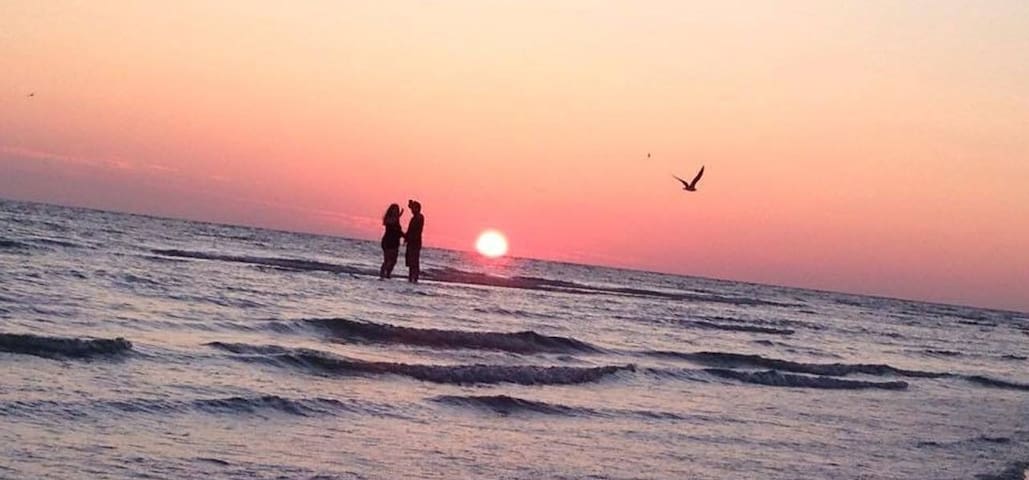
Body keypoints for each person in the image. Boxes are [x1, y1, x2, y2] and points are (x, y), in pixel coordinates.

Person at [379, 203, 404, 279]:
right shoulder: (389, 218)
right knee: (387, 260)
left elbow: (399, 231)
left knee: (394, 261)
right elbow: (388, 223)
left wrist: (406, 236)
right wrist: (398, 216)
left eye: (397, 210)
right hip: (388, 241)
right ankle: (382, 273)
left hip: (395, 242)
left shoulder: (397, 220)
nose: (396, 211)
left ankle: (388, 274)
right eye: (394, 210)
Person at [404, 199, 424, 283]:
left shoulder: (419, 217)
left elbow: (413, 230)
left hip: (415, 242)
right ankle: (411, 277)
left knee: (414, 262)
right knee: (411, 262)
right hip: (411, 242)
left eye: (414, 208)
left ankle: (414, 278)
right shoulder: (415, 217)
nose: (412, 210)